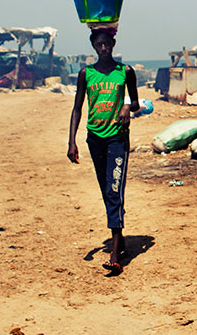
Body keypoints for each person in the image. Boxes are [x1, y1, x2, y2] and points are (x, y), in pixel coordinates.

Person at [67, 27, 139, 274]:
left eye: (107, 44)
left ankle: (116, 251)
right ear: (94, 46)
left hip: (117, 139)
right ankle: (120, 238)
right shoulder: (86, 74)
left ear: (113, 43)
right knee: (106, 189)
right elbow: (77, 108)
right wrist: (72, 141)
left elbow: (137, 103)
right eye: (99, 44)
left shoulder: (125, 72)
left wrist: (127, 107)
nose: (103, 48)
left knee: (114, 189)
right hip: (94, 139)